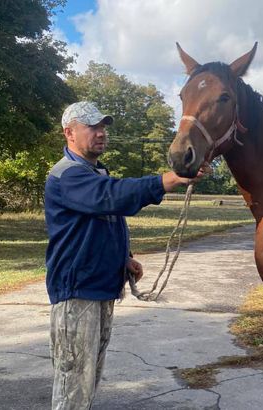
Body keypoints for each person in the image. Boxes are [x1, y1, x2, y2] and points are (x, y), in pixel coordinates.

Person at [44, 101, 203, 409]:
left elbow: (106, 217)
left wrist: (125, 258)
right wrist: (166, 180)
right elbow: (112, 196)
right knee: (73, 385)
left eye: (103, 127)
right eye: (93, 127)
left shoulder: (93, 171)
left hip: (99, 289)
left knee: (86, 382)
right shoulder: (68, 176)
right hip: (77, 294)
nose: (101, 133)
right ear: (70, 133)